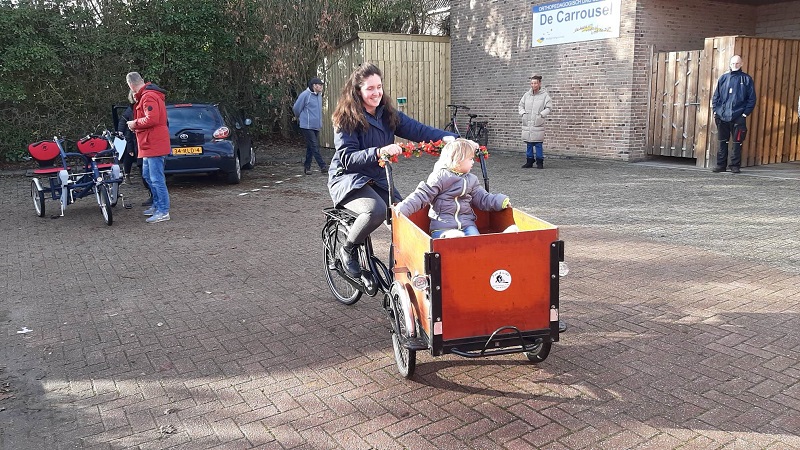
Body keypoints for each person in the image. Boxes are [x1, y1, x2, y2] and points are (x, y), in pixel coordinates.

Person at [328, 62, 457, 277]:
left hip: (377, 178)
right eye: (370, 88)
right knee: (376, 210)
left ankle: (397, 272)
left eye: (379, 87)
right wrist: (379, 151)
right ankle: (348, 249)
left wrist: (450, 138)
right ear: (357, 90)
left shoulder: (387, 114)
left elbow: (418, 130)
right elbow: (347, 158)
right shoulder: (345, 118)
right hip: (349, 179)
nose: (376, 92)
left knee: (403, 216)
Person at [395, 139, 511, 238]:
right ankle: (451, 237)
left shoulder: (471, 179)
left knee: (475, 241)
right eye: (470, 159)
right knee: (451, 241)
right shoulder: (440, 177)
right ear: (458, 160)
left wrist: (500, 201)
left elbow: (483, 198)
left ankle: (504, 238)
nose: (473, 162)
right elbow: (422, 195)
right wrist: (404, 208)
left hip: (467, 224)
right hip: (443, 226)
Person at [125, 72, 171, 223]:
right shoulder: (146, 96)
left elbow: (153, 119)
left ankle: (163, 210)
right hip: (148, 143)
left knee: (156, 179)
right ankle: (157, 205)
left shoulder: (148, 96)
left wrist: (134, 124)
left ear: (131, 85)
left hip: (153, 143)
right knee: (147, 175)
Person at [711, 55, 756, 173]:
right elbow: (716, 96)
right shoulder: (723, 78)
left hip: (738, 117)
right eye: (732, 63)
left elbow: (751, 99)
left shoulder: (746, 79)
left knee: (737, 142)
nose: (734, 65)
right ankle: (721, 165)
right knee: (722, 141)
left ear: (741, 64)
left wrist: (745, 114)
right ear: (729, 64)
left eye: (737, 63)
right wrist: (716, 111)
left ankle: (734, 166)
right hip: (722, 116)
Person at [293, 77, 328, 175]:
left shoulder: (319, 96)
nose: (321, 87)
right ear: (314, 86)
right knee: (314, 146)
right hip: (307, 126)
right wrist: (300, 117)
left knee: (310, 147)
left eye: (321, 85)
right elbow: (296, 108)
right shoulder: (305, 95)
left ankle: (307, 167)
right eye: (319, 85)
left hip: (316, 126)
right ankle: (323, 166)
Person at [518, 74, 553, 169]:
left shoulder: (544, 95)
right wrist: (523, 113)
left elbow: (549, 108)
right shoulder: (526, 95)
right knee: (528, 143)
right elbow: (520, 105)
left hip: (538, 122)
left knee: (538, 143)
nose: (533, 85)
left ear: (539, 83)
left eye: (535, 83)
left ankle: (539, 161)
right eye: (532, 83)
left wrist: (541, 115)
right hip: (527, 122)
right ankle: (529, 161)